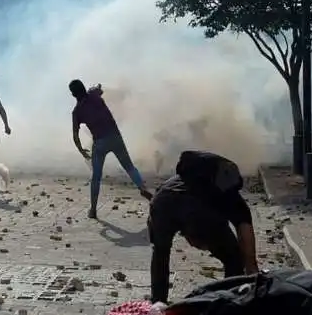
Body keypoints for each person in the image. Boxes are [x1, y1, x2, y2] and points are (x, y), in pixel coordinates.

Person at [147, 150, 258, 303]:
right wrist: (253, 274)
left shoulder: (184, 179)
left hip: (160, 201)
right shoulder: (233, 200)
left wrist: (190, 230)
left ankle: (158, 304)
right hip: (194, 211)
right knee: (234, 258)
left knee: (160, 252)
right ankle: (228, 303)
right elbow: (248, 252)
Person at [69, 79, 152, 219]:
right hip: (115, 137)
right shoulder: (94, 95)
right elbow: (98, 88)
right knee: (130, 167)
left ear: (73, 95)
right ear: (84, 88)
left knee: (96, 177)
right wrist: (97, 87)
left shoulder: (77, 112)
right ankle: (142, 188)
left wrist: (81, 150)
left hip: (99, 143)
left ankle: (93, 209)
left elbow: (75, 136)